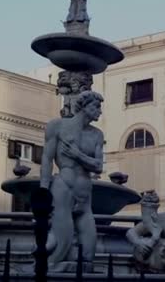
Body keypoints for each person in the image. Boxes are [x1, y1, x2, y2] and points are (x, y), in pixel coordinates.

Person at [40, 91, 104, 270]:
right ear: (84, 107)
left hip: (85, 195)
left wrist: (78, 155)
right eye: (96, 107)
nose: (100, 111)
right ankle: (47, 268)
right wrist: (43, 189)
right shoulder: (57, 126)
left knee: (89, 251)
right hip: (64, 188)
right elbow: (46, 159)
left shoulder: (97, 134)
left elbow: (98, 166)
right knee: (62, 243)